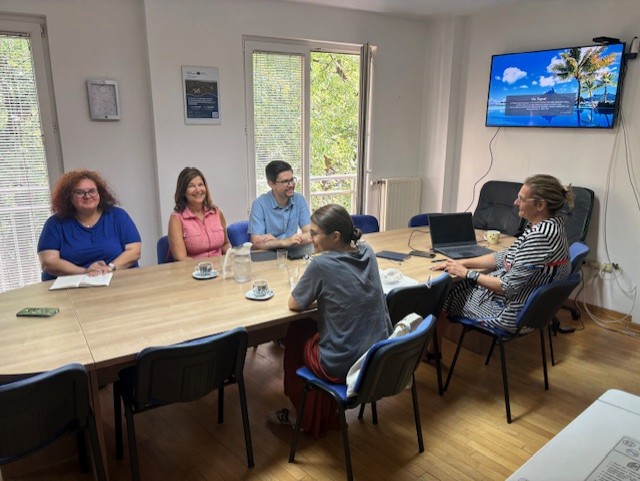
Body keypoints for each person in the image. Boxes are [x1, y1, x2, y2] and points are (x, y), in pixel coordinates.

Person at [268, 203, 392, 438]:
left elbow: (294, 304)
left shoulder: (321, 265)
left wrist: (321, 296)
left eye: (315, 234)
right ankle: (324, 411)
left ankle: (302, 417)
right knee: (312, 327)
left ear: (335, 237)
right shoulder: (367, 251)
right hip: (378, 356)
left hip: (342, 364)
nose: (310, 239)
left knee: (296, 332)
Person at [430, 174, 573, 350]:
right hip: (529, 309)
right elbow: (501, 257)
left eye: (521, 198)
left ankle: (431, 352)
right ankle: (433, 349)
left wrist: (466, 273)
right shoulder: (552, 227)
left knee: (444, 294)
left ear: (540, 205)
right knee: (458, 286)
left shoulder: (540, 237)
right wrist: (463, 263)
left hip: (508, 314)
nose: (515, 202)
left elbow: (507, 287)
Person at [38, 169, 141, 281]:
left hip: (117, 279)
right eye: (79, 192)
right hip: (73, 284)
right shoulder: (54, 224)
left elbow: (134, 251)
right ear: (69, 197)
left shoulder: (118, 216)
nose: (87, 196)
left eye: (92, 191)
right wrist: (85, 272)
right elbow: (48, 262)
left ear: (100, 193)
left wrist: (109, 268)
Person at [168, 167, 231, 260]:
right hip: (193, 268)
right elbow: (181, 258)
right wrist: (205, 267)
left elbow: (225, 244)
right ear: (183, 191)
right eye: (191, 186)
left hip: (220, 267)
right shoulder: (176, 219)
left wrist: (233, 257)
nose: (198, 190)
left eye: (200, 185)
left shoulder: (217, 212)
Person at [248, 160, 312, 250]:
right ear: (271, 184)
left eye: (292, 180)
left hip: (292, 252)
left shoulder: (299, 199)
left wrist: (281, 241)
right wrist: (284, 242)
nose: (291, 185)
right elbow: (257, 242)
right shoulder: (259, 204)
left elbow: (310, 234)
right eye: (285, 182)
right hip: (269, 255)